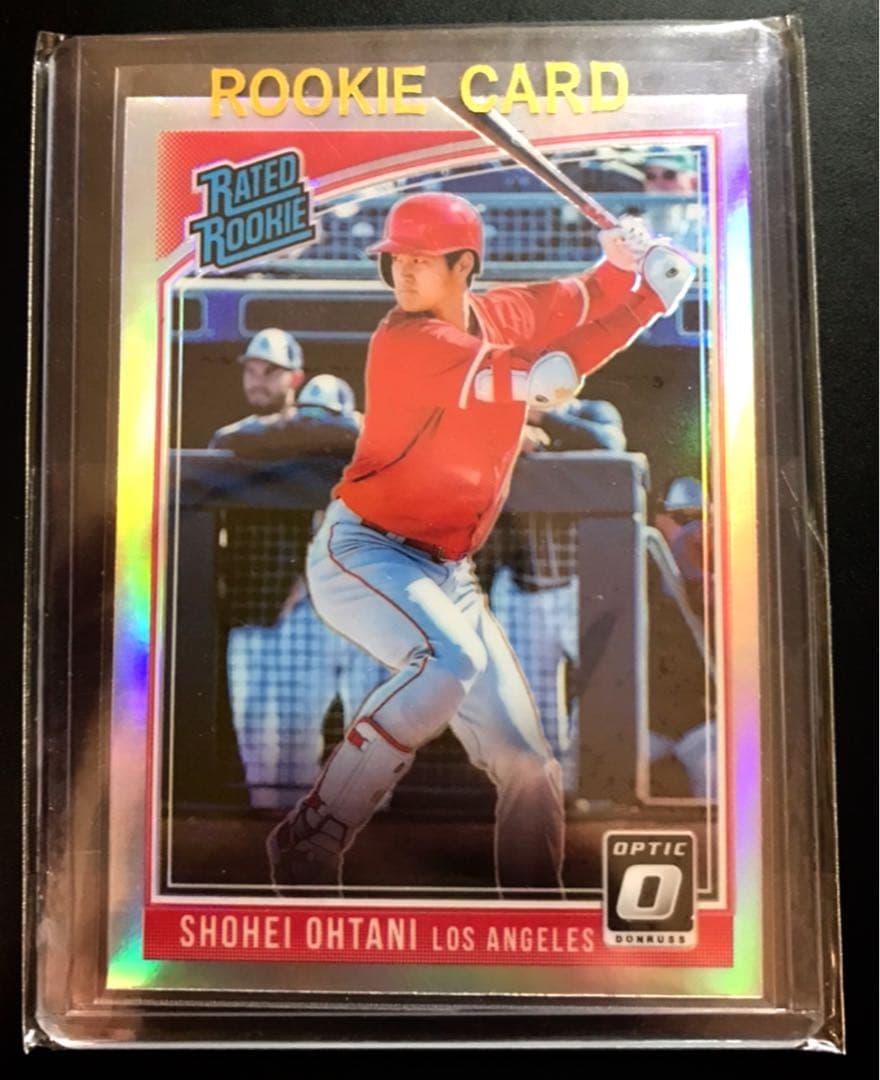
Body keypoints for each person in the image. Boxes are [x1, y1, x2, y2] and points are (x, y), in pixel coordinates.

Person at [265, 192, 695, 891]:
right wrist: (650, 301)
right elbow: (550, 383)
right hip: (365, 552)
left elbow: (587, 296)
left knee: (528, 762)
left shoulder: (505, 312)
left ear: (463, 265)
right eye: (396, 259)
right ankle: (316, 828)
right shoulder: (406, 341)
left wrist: (623, 264)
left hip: (447, 570)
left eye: (420, 260)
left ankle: (533, 908)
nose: (403, 272)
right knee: (450, 661)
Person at [211, 331, 386, 808]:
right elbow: (226, 440)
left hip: (315, 607)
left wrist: (305, 581)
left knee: (306, 738)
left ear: (294, 378)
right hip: (254, 604)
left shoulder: (334, 441)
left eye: (270, 371)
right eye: (252, 370)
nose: (258, 380)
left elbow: (353, 439)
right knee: (258, 740)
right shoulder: (244, 438)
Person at [489, 400, 627, 798]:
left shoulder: (592, 412)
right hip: (526, 588)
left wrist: (539, 422)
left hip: (582, 589)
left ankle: (585, 787)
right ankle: (546, 794)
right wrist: (509, 438)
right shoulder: (502, 418)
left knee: (600, 688)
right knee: (536, 704)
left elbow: (610, 443)